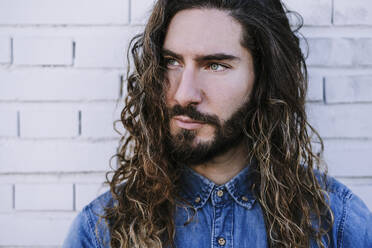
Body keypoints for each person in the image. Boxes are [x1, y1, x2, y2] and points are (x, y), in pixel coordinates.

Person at [63, 0, 372, 247]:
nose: (184, 94)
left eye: (215, 65)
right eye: (172, 62)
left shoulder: (336, 223)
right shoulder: (103, 231)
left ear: (262, 78)